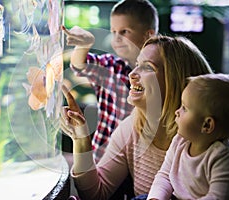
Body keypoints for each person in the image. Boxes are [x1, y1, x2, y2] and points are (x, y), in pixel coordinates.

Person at [60, 35, 213, 200]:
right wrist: (81, 140)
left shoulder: (206, 138)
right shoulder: (131, 127)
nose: (132, 74)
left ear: (175, 80)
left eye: (147, 68)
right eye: (137, 65)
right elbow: (96, 194)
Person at [62, 0, 159, 161]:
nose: (117, 38)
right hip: (103, 159)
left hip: (141, 163)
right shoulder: (111, 67)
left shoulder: (159, 75)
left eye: (124, 31)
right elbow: (79, 65)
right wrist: (84, 46)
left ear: (148, 35)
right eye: (113, 31)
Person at [147, 73, 229, 200]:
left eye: (184, 108)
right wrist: (156, 198)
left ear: (207, 125)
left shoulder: (224, 158)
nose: (177, 112)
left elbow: (217, 197)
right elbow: (165, 176)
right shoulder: (180, 141)